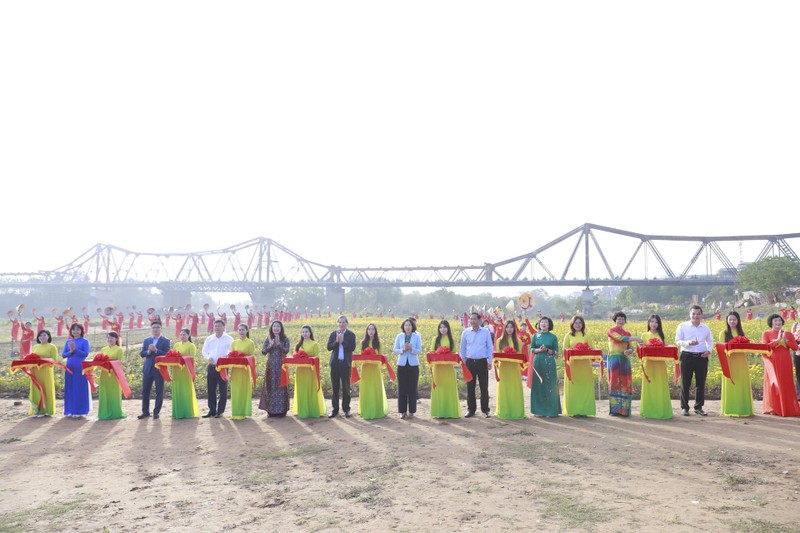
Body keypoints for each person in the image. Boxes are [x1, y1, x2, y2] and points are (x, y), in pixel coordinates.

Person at [674, 305, 713, 416]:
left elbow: (710, 341)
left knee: (700, 383)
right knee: (685, 383)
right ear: (690, 314)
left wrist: (709, 351)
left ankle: (698, 407)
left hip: (701, 357)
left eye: (698, 314)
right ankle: (684, 407)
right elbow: (678, 340)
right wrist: (688, 343)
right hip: (687, 356)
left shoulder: (705, 328)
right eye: (693, 314)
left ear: (702, 315)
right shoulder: (682, 326)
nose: (696, 316)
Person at [761, 314, 800, 416]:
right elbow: (765, 348)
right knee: (774, 384)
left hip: (785, 362)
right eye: (775, 321)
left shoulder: (788, 334)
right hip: (772, 362)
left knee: (785, 383)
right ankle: (774, 408)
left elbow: (795, 347)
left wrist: (786, 341)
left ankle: (787, 407)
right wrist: (777, 341)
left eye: (779, 321)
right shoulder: (766, 334)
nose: (778, 323)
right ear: (771, 323)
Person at [717, 311, 753, 417]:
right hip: (729, 362)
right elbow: (721, 348)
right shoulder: (723, 333)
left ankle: (743, 409)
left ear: (738, 321)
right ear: (727, 321)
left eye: (734, 319)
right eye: (730, 320)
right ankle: (731, 409)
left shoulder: (741, 332)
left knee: (741, 384)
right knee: (731, 383)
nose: (732, 322)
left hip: (741, 362)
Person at [607, 312, 642, 417]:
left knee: (625, 383)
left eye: (622, 319)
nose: (620, 321)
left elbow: (630, 347)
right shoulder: (611, 331)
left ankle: (625, 410)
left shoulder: (628, 333)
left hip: (624, 360)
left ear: (625, 321)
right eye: (618, 319)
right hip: (614, 360)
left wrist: (629, 351)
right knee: (614, 383)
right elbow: (620, 338)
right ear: (615, 320)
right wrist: (636, 338)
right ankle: (615, 410)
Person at [460, 312, 494, 418]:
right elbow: (462, 348)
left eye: (475, 319)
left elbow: (489, 347)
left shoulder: (485, 332)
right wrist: (463, 362)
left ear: (480, 320)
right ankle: (471, 409)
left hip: (482, 362)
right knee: (470, 386)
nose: (472, 321)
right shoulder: (465, 332)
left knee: (484, 387)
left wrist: (489, 361)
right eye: (471, 319)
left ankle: (485, 410)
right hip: (470, 362)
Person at [639, 314, 672, 419]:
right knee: (650, 387)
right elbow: (640, 350)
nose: (654, 324)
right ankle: (648, 411)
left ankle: (661, 410)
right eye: (652, 322)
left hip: (660, 365)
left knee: (660, 387)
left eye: (656, 322)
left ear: (659, 324)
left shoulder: (661, 335)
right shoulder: (644, 335)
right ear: (648, 323)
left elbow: (664, 349)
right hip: (648, 364)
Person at [563, 315, 595, 417]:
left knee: (584, 389)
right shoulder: (568, 336)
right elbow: (565, 351)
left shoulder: (586, 336)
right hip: (572, 367)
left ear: (583, 324)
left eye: (579, 323)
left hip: (585, 367)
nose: (578, 325)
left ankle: (585, 411)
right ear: (572, 324)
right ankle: (574, 411)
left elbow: (592, 349)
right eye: (576, 323)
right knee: (574, 389)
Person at [292, 325, 325, 418]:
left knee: (311, 389)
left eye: (306, 332)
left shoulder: (314, 344)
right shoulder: (298, 345)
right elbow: (295, 357)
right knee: (301, 390)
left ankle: (312, 411)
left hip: (310, 371)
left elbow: (317, 358)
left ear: (310, 333)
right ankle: (302, 411)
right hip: (300, 371)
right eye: (303, 332)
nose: (304, 334)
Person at [202, 319, 233, 418]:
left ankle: (220, 411)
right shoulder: (209, 338)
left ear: (224, 327)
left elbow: (231, 351)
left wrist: (225, 357)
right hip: (211, 366)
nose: (217, 328)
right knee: (211, 389)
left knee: (223, 389)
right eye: (215, 326)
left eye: (219, 326)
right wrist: (208, 357)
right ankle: (212, 410)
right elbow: (204, 350)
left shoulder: (229, 339)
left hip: (223, 367)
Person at [326, 315, 356, 418]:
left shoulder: (351, 335)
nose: (341, 324)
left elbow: (352, 348)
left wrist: (343, 342)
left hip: (346, 364)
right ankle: (335, 410)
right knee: (335, 388)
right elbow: (329, 347)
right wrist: (336, 342)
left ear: (347, 324)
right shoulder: (333, 334)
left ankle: (346, 409)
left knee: (346, 387)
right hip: (335, 364)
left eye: (343, 322)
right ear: (337, 323)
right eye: (339, 322)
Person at [139, 321, 170, 420]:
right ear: (151, 329)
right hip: (148, 369)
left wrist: (156, 350)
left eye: (157, 327)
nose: (155, 329)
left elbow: (166, 354)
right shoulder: (147, 340)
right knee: (145, 391)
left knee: (159, 391)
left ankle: (156, 412)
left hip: (159, 369)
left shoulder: (165, 340)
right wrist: (148, 351)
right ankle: (145, 412)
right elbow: (142, 353)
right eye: (153, 328)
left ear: (161, 328)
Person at [494, 320, 525, 419]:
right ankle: (504, 412)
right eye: (507, 327)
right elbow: (497, 355)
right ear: (504, 328)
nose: (509, 329)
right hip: (504, 369)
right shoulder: (500, 341)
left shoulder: (518, 341)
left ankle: (516, 412)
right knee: (504, 389)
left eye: (511, 327)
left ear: (514, 329)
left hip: (514, 369)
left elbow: (520, 355)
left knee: (514, 389)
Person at [530, 316, 561, 417]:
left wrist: (547, 350)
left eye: (546, 322)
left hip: (549, 363)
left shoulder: (553, 337)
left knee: (550, 385)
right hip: (538, 362)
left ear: (549, 325)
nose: (543, 324)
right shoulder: (535, 336)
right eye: (541, 322)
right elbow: (531, 349)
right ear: (539, 324)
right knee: (538, 385)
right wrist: (539, 350)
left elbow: (556, 353)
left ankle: (550, 411)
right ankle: (538, 410)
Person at [429, 319, 460, 418]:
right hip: (438, 369)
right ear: (439, 329)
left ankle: (450, 412)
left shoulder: (451, 340)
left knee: (449, 388)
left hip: (448, 369)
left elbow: (454, 353)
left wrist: (447, 354)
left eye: (445, 327)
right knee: (440, 388)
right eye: (441, 327)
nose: (443, 329)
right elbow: (431, 352)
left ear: (448, 328)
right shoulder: (435, 339)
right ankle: (440, 412)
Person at [357, 323, 389, 420]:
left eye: (373, 329)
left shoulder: (378, 343)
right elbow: (360, 356)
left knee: (375, 388)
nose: (371, 331)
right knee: (366, 389)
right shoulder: (363, 343)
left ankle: (377, 410)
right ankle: (366, 410)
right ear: (366, 331)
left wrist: (374, 356)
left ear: (375, 331)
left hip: (375, 369)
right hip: (366, 369)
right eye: (369, 329)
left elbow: (380, 357)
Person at [259, 320, 290, 417]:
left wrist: (279, 344)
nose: (276, 328)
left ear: (281, 328)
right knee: (271, 386)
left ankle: (282, 411)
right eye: (274, 326)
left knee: (281, 386)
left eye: (278, 326)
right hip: (271, 366)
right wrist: (270, 345)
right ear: (272, 328)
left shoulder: (285, 339)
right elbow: (263, 352)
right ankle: (271, 411)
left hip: (282, 365)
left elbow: (286, 350)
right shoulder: (268, 339)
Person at [393, 318, 422, 419]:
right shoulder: (399, 336)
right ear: (403, 327)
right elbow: (395, 350)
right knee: (402, 388)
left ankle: (412, 411)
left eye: (409, 325)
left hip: (413, 365)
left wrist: (411, 348)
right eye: (406, 325)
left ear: (412, 326)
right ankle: (402, 411)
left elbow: (419, 350)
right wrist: (403, 349)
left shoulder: (416, 336)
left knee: (412, 388)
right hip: (402, 365)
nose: (407, 327)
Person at [62, 323, 91, 418]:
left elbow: (85, 354)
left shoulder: (84, 341)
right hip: (69, 368)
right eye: (74, 330)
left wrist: (75, 350)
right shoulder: (68, 342)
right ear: (71, 331)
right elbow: (64, 355)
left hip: (80, 368)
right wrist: (70, 352)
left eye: (78, 330)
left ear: (81, 331)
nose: (75, 331)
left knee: (79, 388)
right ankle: (69, 410)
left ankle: (80, 410)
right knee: (70, 389)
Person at [170, 328, 200, 419]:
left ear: (188, 335)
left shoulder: (191, 346)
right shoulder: (176, 345)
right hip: (176, 371)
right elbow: (172, 356)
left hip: (186, 371)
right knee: (177, 390)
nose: (182, 336)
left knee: (186, 390)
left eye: (184, 335)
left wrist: (183, 359)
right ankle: (178, 412)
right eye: (181, 334)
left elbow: (191, 358)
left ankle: (188, 412)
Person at [98, 332, 126, 420]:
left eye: (112, 338)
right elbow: (99, 361)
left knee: (114, 393)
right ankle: (104, 412)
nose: (110, 340)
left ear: (117, 339)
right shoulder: (103, 349)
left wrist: (109, 362)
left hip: (114, 374)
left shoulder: (119, 349)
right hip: (104, 374)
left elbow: (119, 362)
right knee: (104, 392)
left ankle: (115, 412)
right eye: (109, 338)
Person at [30, 330, 58, 417]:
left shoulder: (52, 347)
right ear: (38, 337)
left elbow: (54, 360)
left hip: (45, 371)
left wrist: (43, 361)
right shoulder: (35, 347)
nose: (42, 337)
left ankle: (45, 410)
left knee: (45, 388)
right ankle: (37, 410)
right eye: (40, 335)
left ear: (48, 336)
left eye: (44, 335)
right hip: (35, 371)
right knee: (36, 389)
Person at [231, 324, 256, 420]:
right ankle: (236, 412)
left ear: (247, 331)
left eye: (243, 330)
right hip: (235, 370)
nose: (241, 332)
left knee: (243, 390)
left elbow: (251, 357)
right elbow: (231, 356)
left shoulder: (250, 343)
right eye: (239, 330)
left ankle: (244, 411)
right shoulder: (234, 343)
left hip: (245, 370)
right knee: (235, 390)